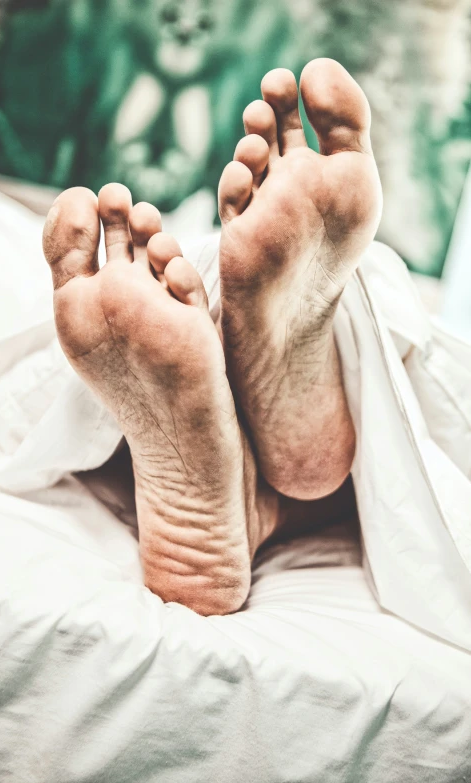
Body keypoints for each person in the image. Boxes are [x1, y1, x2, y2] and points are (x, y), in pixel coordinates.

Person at [42, 58, 381, 616]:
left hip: (184, 299)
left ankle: (252, 489)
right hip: (326, 442)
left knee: (163, 289)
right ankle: (273, 477)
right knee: (401, 388)